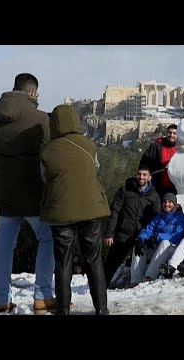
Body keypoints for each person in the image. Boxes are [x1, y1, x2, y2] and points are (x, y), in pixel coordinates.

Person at [0, 73, 55, 314]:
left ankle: (2, 300)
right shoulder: (40, 119)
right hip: (33, 190)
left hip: (5, 191)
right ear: (33, 93)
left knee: (4, 245)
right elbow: (49, 153)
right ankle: (42, 295)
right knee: (47, 238)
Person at [40, 104, 110, 315]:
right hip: (91, 209)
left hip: (60, 211)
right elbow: (95, 168)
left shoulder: (46, 151)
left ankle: (62, 310)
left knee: (63, 261)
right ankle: (101, 308)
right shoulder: (89, 145)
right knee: (94, 259)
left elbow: (44, 177)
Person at [103, 165, 161, 288]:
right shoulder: (125, 190)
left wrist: (152, 236)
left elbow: (156, 218)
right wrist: (109, 233)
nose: (141, 177)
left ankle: (137, 285)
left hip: (141, 235)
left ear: (149, 177)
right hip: (123, 233)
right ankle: (100, 287)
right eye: (139, 174)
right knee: (111, 262)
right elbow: (115, 212)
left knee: (140, 260)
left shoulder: (153, 195)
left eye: (145, 175)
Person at [130, 192, 184, 284]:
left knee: (165, 242)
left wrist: (157, 237)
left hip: (171, 249)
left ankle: (149, 276)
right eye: (165, 202)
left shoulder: (180, 218)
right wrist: (141, 238)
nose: (167, 204)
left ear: (174, 204)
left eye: (170, 202)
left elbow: (176, 236)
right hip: (157, 249)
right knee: (139, 246)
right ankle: (135, 280)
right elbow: (148, 230)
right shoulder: (158, 217)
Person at [139, 123, 178, 201]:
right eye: (170, 132)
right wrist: (145, 175)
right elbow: (145, 161)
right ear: (166, 133)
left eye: (174, 133)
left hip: (175, 187)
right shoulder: (156, 146)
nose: (171, 135)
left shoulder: (181, 148)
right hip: (158, 186)